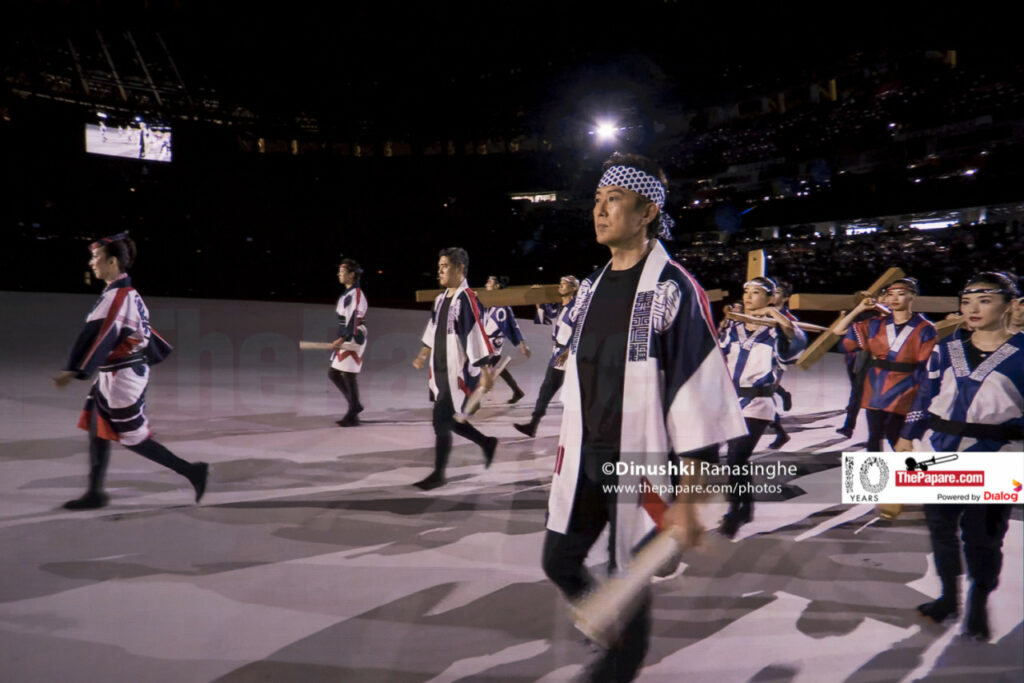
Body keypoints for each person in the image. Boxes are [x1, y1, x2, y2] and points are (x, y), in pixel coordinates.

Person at [543, 153, 747, 681]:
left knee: (627, 579)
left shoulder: (673, 288)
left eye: (613, 199)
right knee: (559, 561)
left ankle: (618, 660)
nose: (599, 210)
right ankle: (605, 625)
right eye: (596, 199)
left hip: (641, 467)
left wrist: (691, 494)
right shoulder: (589, 287)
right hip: (586, 456)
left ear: (647, 210)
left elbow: (699, 393)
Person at [895, 271, 1023, 641]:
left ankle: (980, 598)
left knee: (983, 537)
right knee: (941, 531)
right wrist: (908, 436)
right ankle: (948, 598)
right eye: (966, 301)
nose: (973, 308)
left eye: (984, 300)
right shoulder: (945, 347)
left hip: (997, 456)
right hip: (940, 451)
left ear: (1010, 305)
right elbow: (924, 394)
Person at [52, 232, 208, 510]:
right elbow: (125, 333)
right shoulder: (124, 293)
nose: (92, 263)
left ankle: (192, 471)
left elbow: (101, 333)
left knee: (134, 438)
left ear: (112, 262)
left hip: (121, 377)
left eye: (96, 258)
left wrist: (74, 369)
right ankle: (95, 493)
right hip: (116, 372)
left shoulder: (117, 297)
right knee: (97, 431)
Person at [717, 276, 807, 538]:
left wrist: (772, 314)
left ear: (770, 298)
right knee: (737, 461)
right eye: (746, 292)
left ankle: (734, 512)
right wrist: (726, 322)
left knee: (735, 459)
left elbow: (795, 340)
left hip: (757, 403)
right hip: (731, 400)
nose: (748, 297)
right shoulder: (734, 325)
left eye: (757, 293)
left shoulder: (777, 330)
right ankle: (745, 506)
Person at [411, 248, 498, 490]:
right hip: (437, 369)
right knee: (450, 419)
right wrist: (422, 354)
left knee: (441, 421)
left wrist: (484, 372)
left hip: (455, 371)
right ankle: (487, 443)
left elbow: (476, 334)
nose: (439, 270)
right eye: (439, 266)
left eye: (445, 266)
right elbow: (432, 329)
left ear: (460, 269)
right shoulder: (440, 300)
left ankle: (439, 474)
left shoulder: (467, 298)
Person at [833, 277, 937, 451]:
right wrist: (860, 308)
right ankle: (874, 477)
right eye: (890, 295)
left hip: (906, 387)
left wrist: (922, 396)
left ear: (913, 296)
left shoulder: (925, 328)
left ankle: (907, 475)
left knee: (895, 435)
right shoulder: (875, 324)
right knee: (873, 436)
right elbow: (838, 331)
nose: (894, 299)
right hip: (876, 384)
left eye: (901, 294)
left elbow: (925, 366)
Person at [514, 275, 579, 437]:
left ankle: (580, 427)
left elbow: (579, 330)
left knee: (571, 392)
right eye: (560, 284)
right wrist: (537, 297)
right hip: (557, 354)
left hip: (567, 355)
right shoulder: (559, 307)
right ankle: (532, 425)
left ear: (574, 288)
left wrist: (566, 351)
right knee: (546, 390)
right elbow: (547, 315)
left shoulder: (575, 309)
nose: (560, 286)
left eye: (565, 284)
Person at [328, 258, 368, 426]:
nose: (339, 274)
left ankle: (353, 411)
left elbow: (353, 319)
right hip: (346, 333)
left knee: (348, 375)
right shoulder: (348, 293)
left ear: (352, 275)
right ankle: (354, 406)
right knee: (334, 373)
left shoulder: (356, 294)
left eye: (343, 272)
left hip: (353, 335)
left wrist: (343, 338)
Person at [483, 275, 531, 404]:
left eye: (489, 281)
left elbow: (513, 326)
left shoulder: (502, 307)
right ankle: (517, 391)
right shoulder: (491, 303)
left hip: (492, 344)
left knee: (480, 367)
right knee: (498, 369)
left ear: (497, 286)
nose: (486, 284)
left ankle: (474, 398)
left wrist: (522, 345)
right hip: (487, 341)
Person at [768, 279, 795, 449]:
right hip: (757, 356)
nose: (773, 295)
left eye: (777, 292)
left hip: (774, 361)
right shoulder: (762, 312)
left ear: (785, 298)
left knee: (761, 396)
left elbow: (794, 342)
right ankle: (783, 394)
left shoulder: (789, 319)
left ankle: (780, 433)